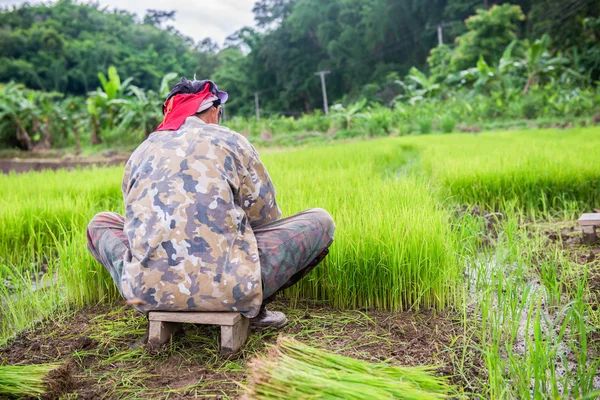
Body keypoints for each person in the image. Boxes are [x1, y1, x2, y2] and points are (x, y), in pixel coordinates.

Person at [86, 78, 335, 328]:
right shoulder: (232, 141)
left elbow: (135, 225)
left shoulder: (140, 151)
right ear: (214, 110)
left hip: (144, 293)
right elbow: (265, 217)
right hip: (232, 287)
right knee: (320, 222)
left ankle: (149, 288)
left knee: (100, 223)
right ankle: (253, 306)